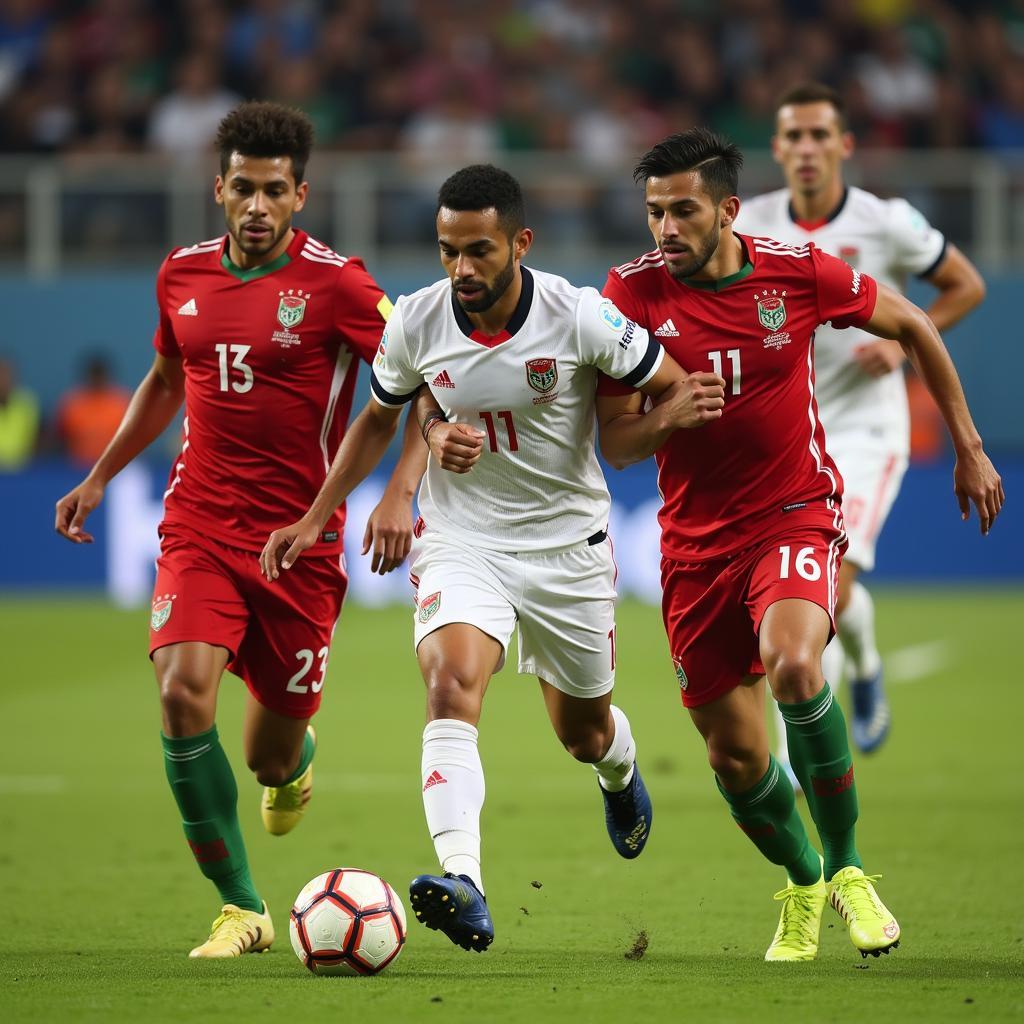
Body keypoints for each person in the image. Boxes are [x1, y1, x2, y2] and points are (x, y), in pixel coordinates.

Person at [260, 163, 724, 954]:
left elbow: (678, 394)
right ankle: (465, 881)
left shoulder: (581, 318)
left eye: (479, 251)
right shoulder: (415, 321)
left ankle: (618, 768)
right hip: (463, 540)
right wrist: (319, 514)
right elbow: (381, 415)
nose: (462, 270)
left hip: (567, 548)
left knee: (580, 731)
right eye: (448, 251)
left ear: (521, 243)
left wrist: (664, 418)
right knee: (450, 688)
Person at [597, 128, 1002, 963]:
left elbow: (919, 321)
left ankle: (851, 869)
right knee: (735, 755)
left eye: (682, 211)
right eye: (653, 213)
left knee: (793, 664)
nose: (665, 230)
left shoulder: (796, 271)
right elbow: (618, 444)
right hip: (692, 548)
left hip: (793, 512)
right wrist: (667, 415)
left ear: (727, 210)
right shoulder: (629, 295)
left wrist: (968, 447)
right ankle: (806, 877)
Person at [54, 101, 426, 959]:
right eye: (243, 189)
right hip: (199, 525)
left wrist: (400, 488)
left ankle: (293, 763)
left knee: (267, 754)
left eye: (275, 192)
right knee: (183, 693)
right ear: (218, 187)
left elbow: (419, 382)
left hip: (302, 542)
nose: (257, 207)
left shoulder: (340, 285)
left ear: (301, 194)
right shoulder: (180, 275)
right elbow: (162, 379)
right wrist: (101, 475)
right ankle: (241, 907)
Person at [738, 82, 987, 769]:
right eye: (795, 136)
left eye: (821, 135)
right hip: (783, 438)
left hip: (866, 433)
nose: (808, 148)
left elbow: (965, 284)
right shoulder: (749, 223)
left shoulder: (888, 221)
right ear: (779, 149)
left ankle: (792, 762)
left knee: (829, 583)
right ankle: (868, 662)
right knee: (819, 590)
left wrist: (907, 339)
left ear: (844, 145)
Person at [55, 354, 131, 466]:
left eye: (99, 376)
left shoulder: (121, 403)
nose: (97, 380)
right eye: (94, 376)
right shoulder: (72, 403)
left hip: (114, 468)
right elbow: (60, 439)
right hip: (76, 469)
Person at [0, 356, 40, 469]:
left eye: (6, 375)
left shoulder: (27, 402)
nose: (2, 380)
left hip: (23, 471)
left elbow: (37, 436)